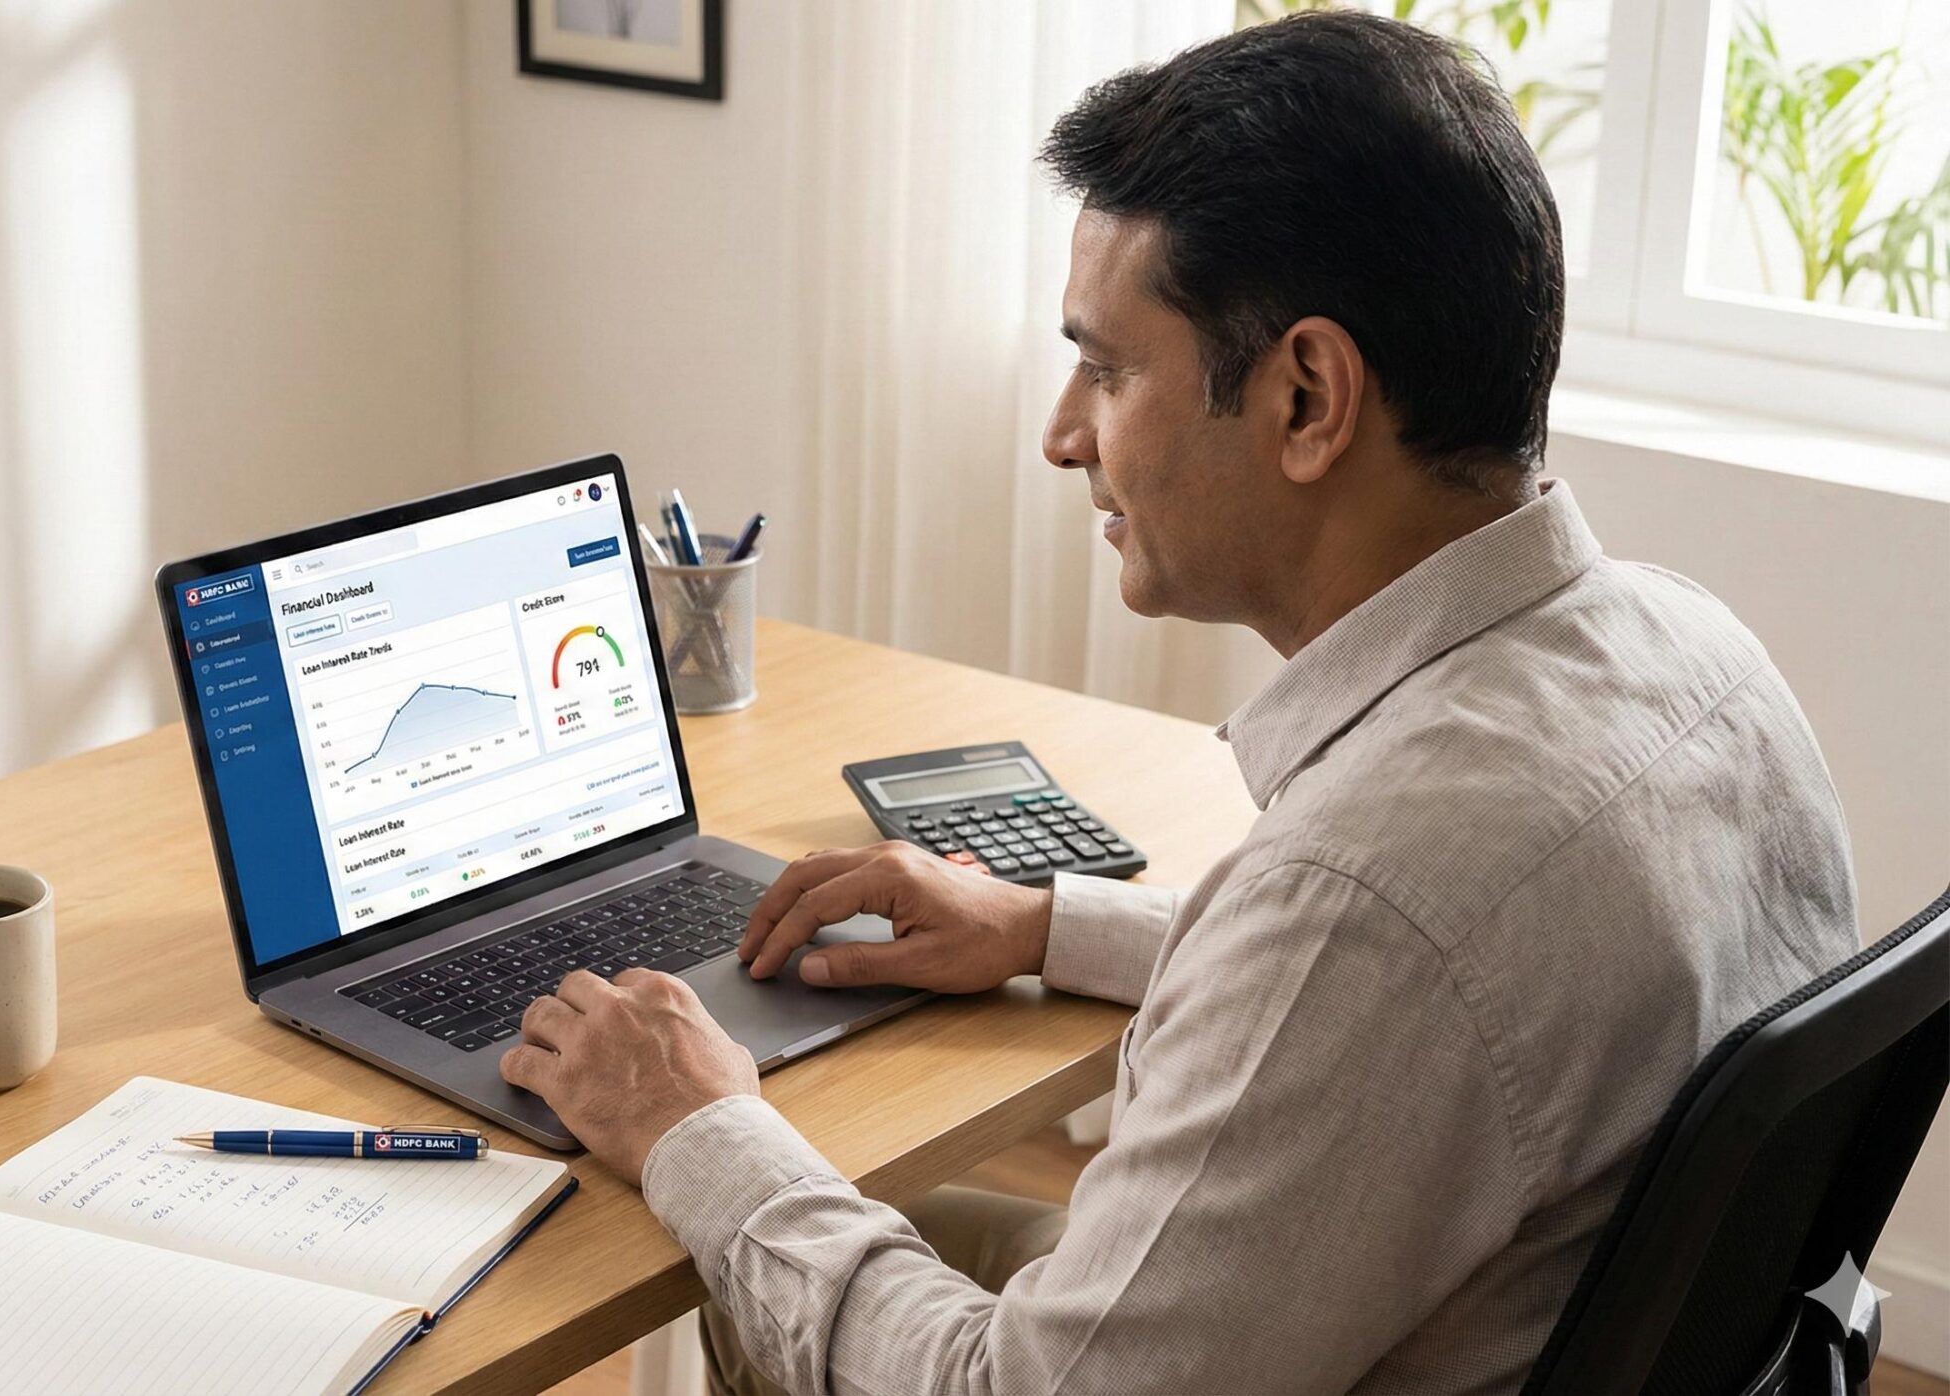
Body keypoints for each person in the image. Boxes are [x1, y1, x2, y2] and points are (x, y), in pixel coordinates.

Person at [496, 12, 1860, 1393]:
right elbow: (1435, 1009)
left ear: (1307, 396)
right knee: (824, 1236)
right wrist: (1043, 924)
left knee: (750, 1253)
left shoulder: (1370, 896)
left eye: (1108, 364)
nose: (1062, 432)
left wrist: (695, 1118)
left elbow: (1015, 1381)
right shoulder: (1699, 654)